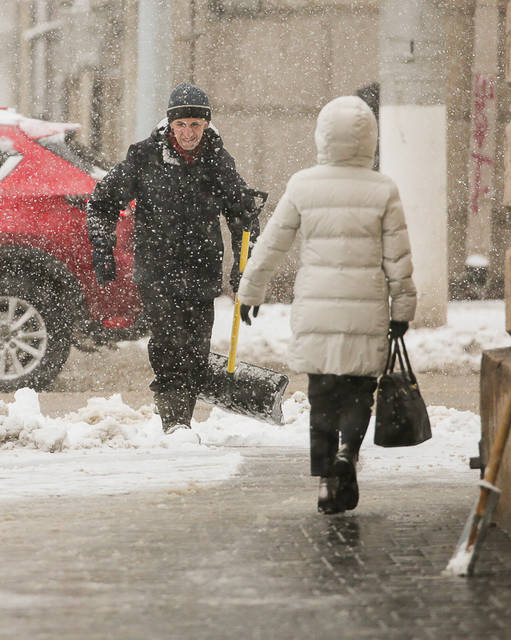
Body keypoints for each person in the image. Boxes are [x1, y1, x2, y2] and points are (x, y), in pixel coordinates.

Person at [237, 96, 417, 514]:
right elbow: (399, 259)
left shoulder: (303, 185)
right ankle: (346, 456)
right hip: (366, 308)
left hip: (317, 308)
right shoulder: (383, 189)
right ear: (370, 140)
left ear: (323, 137)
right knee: (358, 392)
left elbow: (272, 244)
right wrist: (402, 311)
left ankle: (324, 484)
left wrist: (250, 291)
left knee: (321, 395)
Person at [85, 82, 259, 435]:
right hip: (157, 272)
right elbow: (101, 203)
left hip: (201, 270)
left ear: (206, 125)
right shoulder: (144, 157)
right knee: (168, 346)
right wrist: (103, 248)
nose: (189, 133)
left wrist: (246, 266)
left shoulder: (218, 162)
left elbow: (243, 217)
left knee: (196, 351)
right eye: (182, 125)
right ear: (170, 125)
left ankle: (182, 419)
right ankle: (174, 423)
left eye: (196, 125)